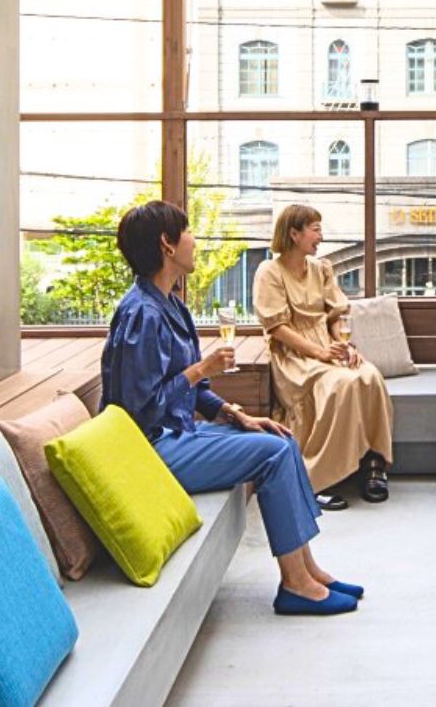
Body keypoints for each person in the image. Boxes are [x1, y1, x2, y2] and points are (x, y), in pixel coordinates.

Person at [102, 200, 361, 616]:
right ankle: (295, 584)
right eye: (187, 231)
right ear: (167, 244)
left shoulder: (171, 304)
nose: (194, 240)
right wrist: (200, 369)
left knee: (280, 437)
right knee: (273, 454)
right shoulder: (141, 315)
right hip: (151, 449)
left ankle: (308, 570)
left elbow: (196, 392)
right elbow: (138, 411)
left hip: (178, 433)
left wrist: (234, 414)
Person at [254, 204, 397, 507]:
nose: (321, 237)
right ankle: (315, 478)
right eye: (315, 230)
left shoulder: (321, 269)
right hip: (294, 355)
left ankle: (373, 463)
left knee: (369, 375)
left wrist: (343, 345)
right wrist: (319, 352)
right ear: (294, 234)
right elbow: (277, 328)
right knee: (340, 384)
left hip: (326, 346)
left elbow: (334, 315)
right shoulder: (269, 272)